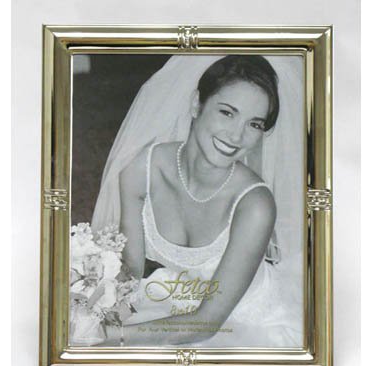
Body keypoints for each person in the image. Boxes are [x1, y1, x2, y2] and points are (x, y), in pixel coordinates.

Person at [91, 55, 304, 347]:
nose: (237, 135)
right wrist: (96, 312)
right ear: (196, 104)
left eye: (254, 124)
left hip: (241, 324)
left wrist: (112, 336)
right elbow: (132, 271)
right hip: (175, 305)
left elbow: (207, 323)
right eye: (227, 112)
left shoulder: (255, 206)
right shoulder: (142, 170)